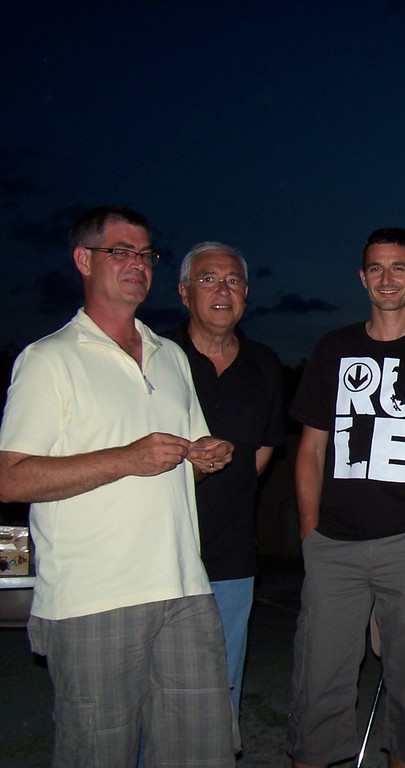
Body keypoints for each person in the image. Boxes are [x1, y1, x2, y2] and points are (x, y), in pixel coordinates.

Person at [0, 205, 236, 767]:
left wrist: (206, 455)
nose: (138, 264)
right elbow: (11, 477)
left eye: (146, 254)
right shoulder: (49, 359)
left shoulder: (170, 356)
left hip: (183, 588)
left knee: (201, 752)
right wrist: (126, 459)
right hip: (93, 599)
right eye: (121, 252)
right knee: (98, 753)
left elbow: (189, 452)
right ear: (84, 260)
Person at [288, 228, 405, 768]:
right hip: (333, 546)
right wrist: (311, 535)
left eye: (399, 267)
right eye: (377, 268)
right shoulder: (333, 349)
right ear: (362, 278)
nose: (388, 278)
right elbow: (311, 450)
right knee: (318, 684)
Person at [164, 241, 285, 718]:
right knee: (155, 688)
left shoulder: (264, 364)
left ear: (246, 294)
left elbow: (265, 449)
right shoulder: (155, 355)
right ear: (184, 292)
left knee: (219, 684)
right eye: (208, 279)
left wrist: (227, 482)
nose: (222, 290)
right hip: (157, 552)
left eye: (233, 281)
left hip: (231, 554)